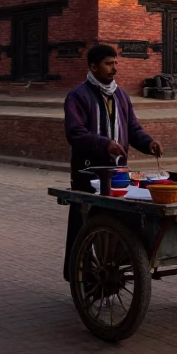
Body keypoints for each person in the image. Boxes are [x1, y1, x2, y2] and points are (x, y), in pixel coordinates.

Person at [62, 45, 163, 280]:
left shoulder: (121, 95)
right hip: (88, 174)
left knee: (118, 224)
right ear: (94, 67)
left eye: (115, 63)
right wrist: (104, 143)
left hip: (117, 175)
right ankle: (84, 281)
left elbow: (133, 129)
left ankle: (115, 270)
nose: (114, 68)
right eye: (108, 64)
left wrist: (148, 143)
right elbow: (75, 133)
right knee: (86, 227)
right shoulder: (78, 96)